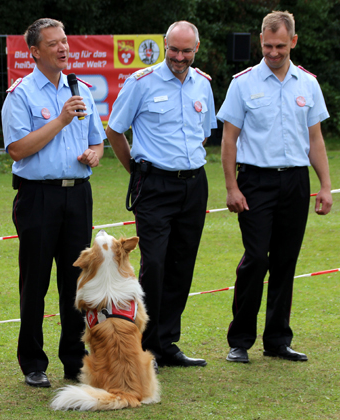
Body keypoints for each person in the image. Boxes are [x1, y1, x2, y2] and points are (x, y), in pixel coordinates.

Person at [218, 11, 332, 364]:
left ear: (293, 41)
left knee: (286, 260)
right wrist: (232, 187)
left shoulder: (307, 84)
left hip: (295, 181)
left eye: (280, 45)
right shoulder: (243, 83)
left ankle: (278, 340)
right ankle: (240, 340)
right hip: (255, 182)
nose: (273, 52)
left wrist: (325, 185)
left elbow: (315, 139)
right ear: (261, 42)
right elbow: (229, 139)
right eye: (267, 45)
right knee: (255, 259)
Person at [106, 21, 216, 368]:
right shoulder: (140, 83)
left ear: (196, 49)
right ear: (163, 46)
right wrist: (137, 172)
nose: (179, 57)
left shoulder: (203, 84)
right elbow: (115, 129)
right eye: (173, 50)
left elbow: (205, 132)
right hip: (154, 186)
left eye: (186, 51)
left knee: (182, 265)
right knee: (153, 265)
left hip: (194, 185)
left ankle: (167, 343)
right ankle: (145, 346)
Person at [1, 18, 105, 388]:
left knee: (76, 281)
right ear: (34, 51)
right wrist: (61, 120)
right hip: (38, 196)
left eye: (64, 41)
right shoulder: (21, 94)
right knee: (36, 281)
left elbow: (97, 140)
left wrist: (94, 154)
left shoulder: (81, 89)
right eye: (53, 44)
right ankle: (32, 362)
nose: (63, 48)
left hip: (77, 194)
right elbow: (17, 149)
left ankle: (74, 360)